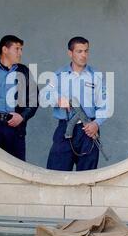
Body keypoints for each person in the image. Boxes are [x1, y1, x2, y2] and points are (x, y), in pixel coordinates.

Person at [40, 36, 108, 171]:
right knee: (56, 173)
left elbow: (105, 105)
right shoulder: (59, 75)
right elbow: (43, 96)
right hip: (65, 129)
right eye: (79, 51)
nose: (84, 55)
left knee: (87, 175)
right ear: (70, 53)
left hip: (88, 130)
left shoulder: (96, 76)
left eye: (86, 51)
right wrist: (58, 100)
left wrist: (96, 123)